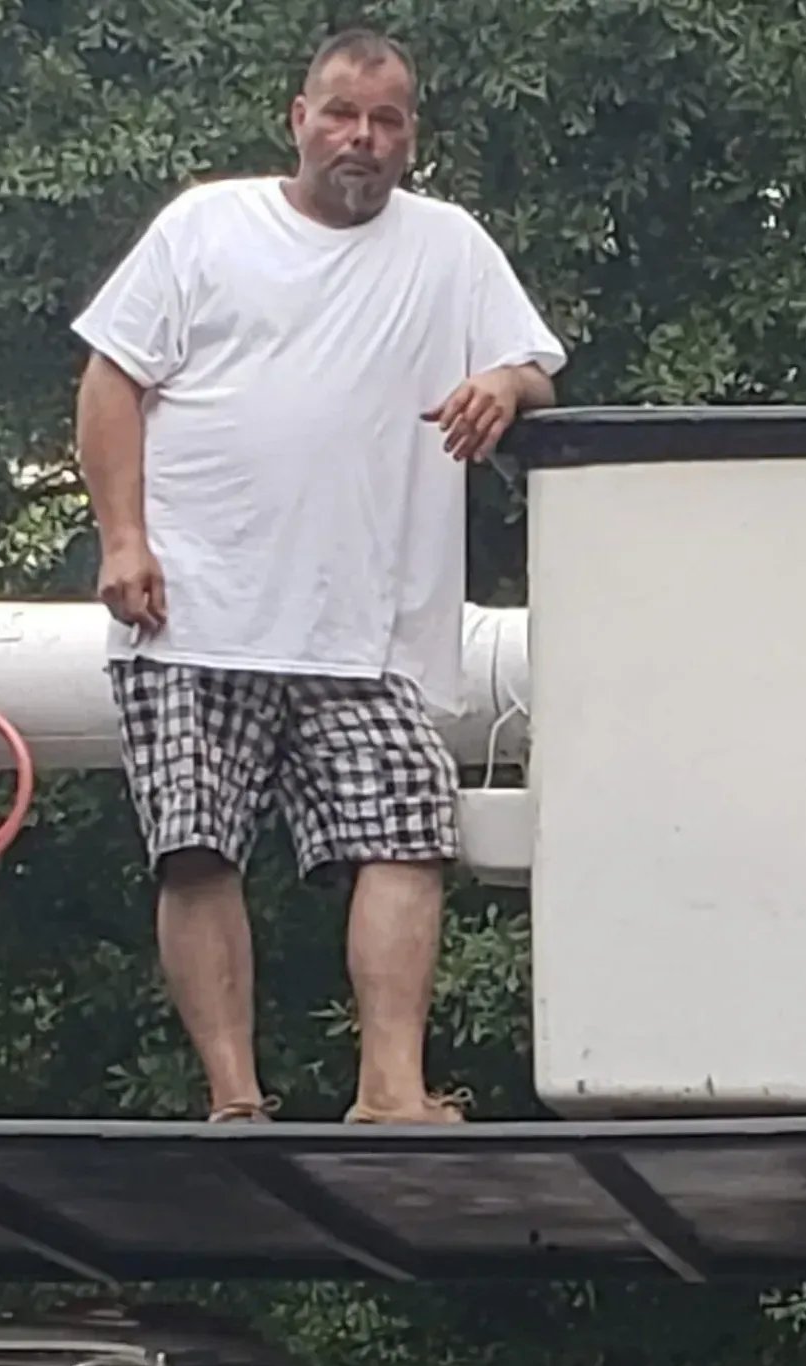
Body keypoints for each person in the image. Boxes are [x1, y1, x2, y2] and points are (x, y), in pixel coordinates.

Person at [70, 26, 565, 1125]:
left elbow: (533, 365)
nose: (362, 138)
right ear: (298, 119)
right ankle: (236, 1099)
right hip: (193, 603)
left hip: (367, 620)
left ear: (411, 137)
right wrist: (123, 538)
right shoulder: (206, 225)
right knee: (196, 846)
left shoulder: (450, 246)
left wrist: (501, 384)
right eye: (342, 113)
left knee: (408, 830)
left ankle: (390, 1090)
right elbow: (110, 380)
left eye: (387, 120)